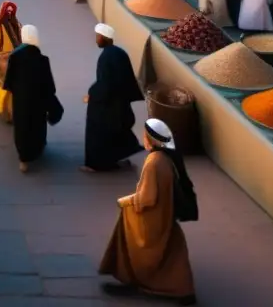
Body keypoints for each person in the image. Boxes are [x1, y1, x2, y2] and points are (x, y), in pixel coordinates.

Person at [99, 118, 196, 305]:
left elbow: (147, 198)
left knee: (131, 243)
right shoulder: (168, 158)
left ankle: (137, 279)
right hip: (165, 214)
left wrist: (125, 201)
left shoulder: (154, 162)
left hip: (151, 217)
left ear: (151, 139)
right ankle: (181, 288)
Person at [82, 23, 143, 173]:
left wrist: (91, 95)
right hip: (120, 103)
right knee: (118, 130)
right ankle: (116, 157)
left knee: (97, 130)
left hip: (109, 103)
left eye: (98, 36)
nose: (96, 39)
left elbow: (105, 83)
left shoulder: (106, 57)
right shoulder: (120, 53)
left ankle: (96, 164)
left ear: (103, 38)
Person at [2, 25, 59, 173]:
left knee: (22, 128)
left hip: (21, 102)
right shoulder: (42, 59)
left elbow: (8, 82)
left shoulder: (14, 57)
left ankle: (23, 159)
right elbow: (50, 86)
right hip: (38, 103)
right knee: (37, 126)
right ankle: (37, 149)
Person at [0, 1, 21, 122]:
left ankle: (12, 113)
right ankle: (9, 113)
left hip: (17, 61)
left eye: (11, 10)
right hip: (5, 63)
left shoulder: (16, 23)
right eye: (8, 10)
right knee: (6, 89)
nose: (10, 12)